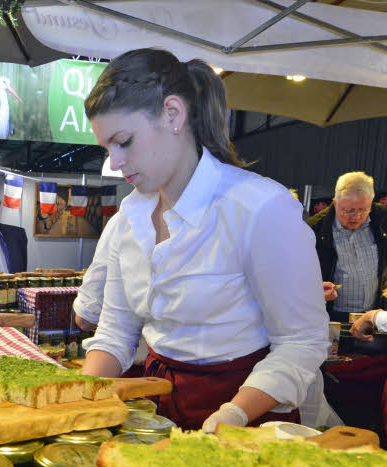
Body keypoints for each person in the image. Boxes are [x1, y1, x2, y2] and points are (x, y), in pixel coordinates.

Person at [79, 48, 327, 433]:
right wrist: (82, 399)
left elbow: (303, 342)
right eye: (106, 147)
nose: (113, 162)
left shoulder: (259, 208)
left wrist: (236, 413)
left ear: (173, 114)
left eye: (123, 141)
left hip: (249, 416)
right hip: (159, 411)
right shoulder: (130, 217)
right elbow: (115, 332)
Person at [308, 172, 387, 322]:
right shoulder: (314, 229)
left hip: (374, 314)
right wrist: (315, 292)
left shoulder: (382, 218)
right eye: (348, 210)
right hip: (331, 317)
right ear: (335, 202)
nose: (356, 217)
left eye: (363, 210)